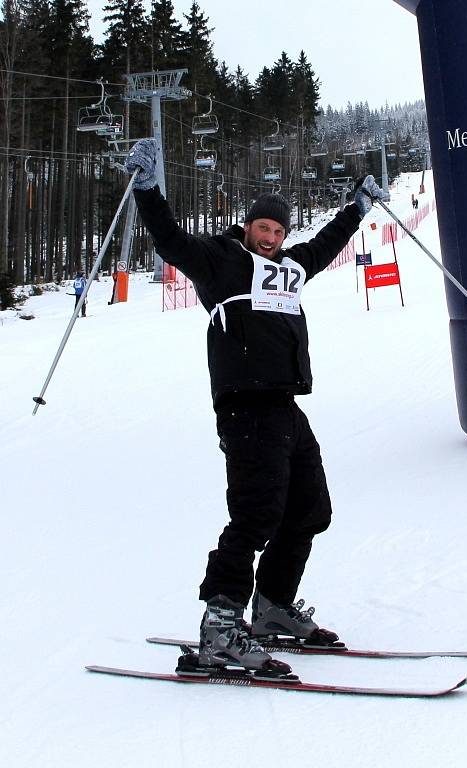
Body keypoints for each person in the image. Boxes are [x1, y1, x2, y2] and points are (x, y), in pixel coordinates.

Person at [125, 138, 389, 677]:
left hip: (286, 407)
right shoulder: (221, 261)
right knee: (255, 515)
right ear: (248, 227)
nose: (270, 239)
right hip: (246, 407)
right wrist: (150, 191)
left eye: (278, 232)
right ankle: (220, 628)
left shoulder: (289, 268)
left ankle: (270, 608)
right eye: (263, 229)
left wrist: (357, 209)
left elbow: (325, 245)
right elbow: (171, 241)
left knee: (310, 509)